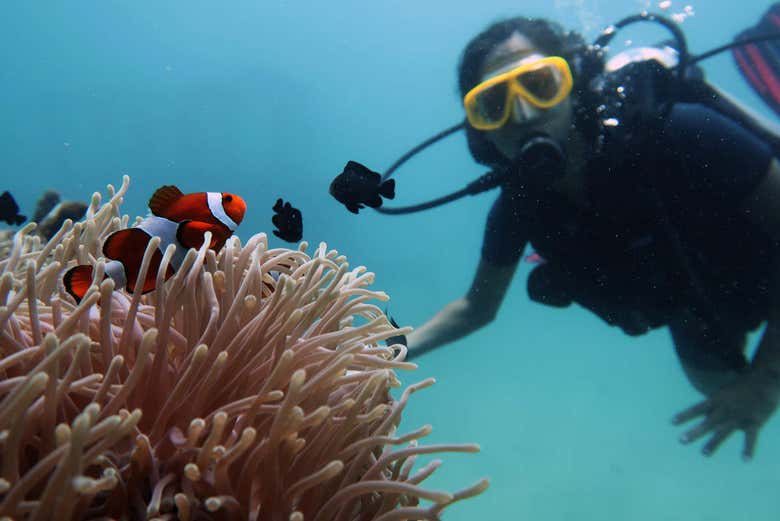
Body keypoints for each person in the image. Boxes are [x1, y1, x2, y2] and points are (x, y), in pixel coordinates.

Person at [394, 15, 780, 460]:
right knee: (715, 386)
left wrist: (765, 382)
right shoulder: (520, 205)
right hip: (700, 310)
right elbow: (474, 308)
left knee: (752, 391)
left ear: (573, 86)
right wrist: (389, 353)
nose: (523, 113)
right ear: (480, 131)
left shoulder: (680, 132)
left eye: (540, 84)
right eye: (494, 103)